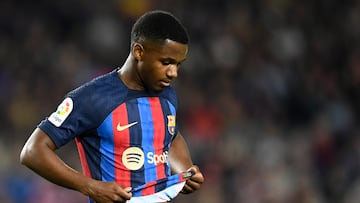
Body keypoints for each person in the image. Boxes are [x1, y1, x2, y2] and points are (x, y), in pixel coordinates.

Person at [20, 10, 204, 203]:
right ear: (139, 51)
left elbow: (170, 136)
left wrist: (185, 170)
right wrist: (91, 186)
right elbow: (33, 151)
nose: (173, 73)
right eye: (166, 62)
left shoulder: (167, 94)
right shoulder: (93, 97)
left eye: (178, 64)